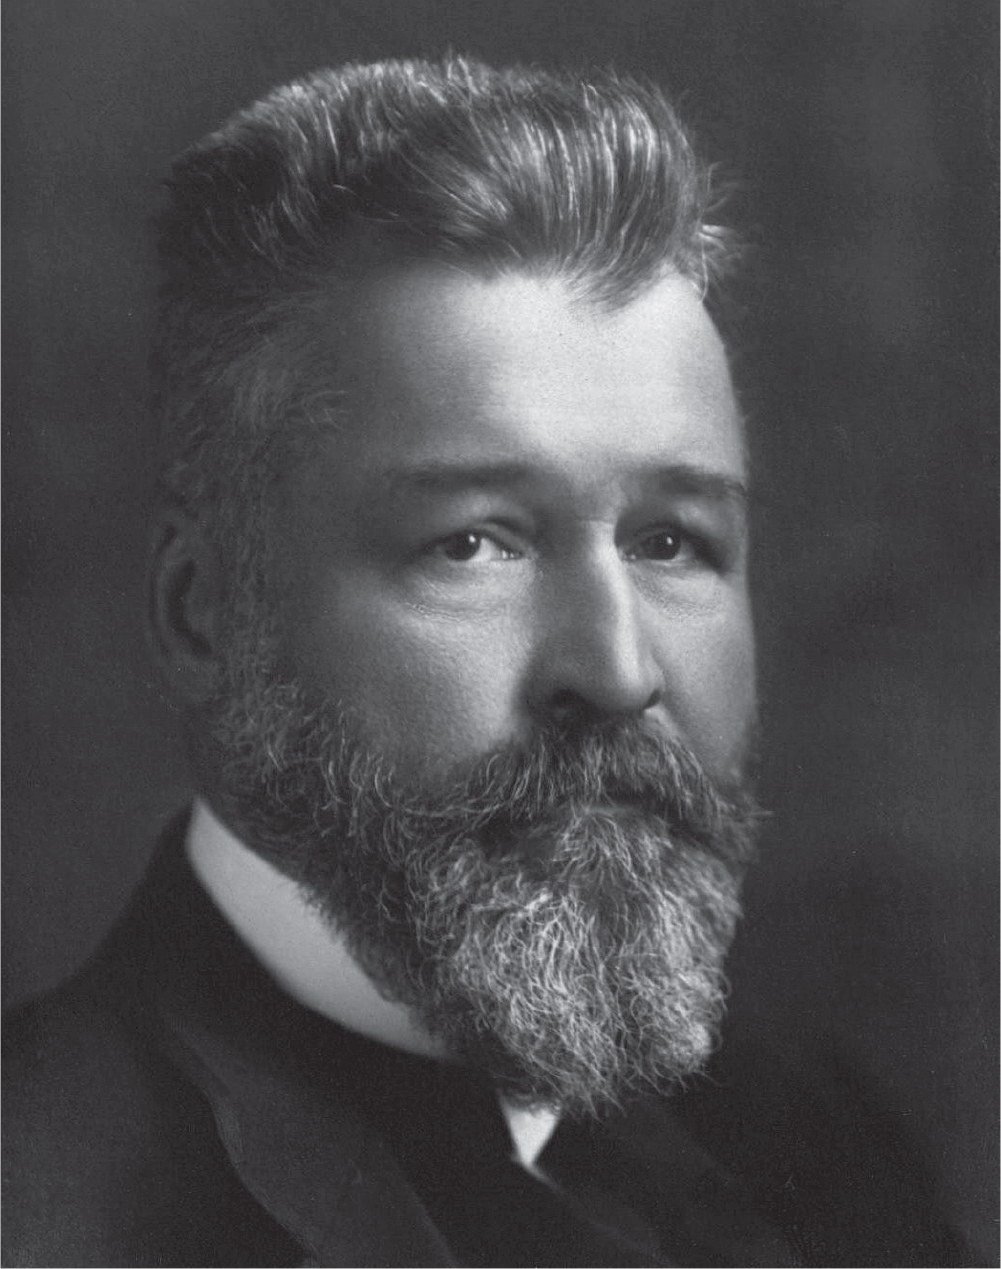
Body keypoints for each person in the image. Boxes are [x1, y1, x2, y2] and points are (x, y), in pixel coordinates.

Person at [2, 55, 971, 1268]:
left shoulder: (826, 1161)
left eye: (672, 541)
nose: (617, 673)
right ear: (205, 614)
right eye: (473, 544)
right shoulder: (43, 1200)